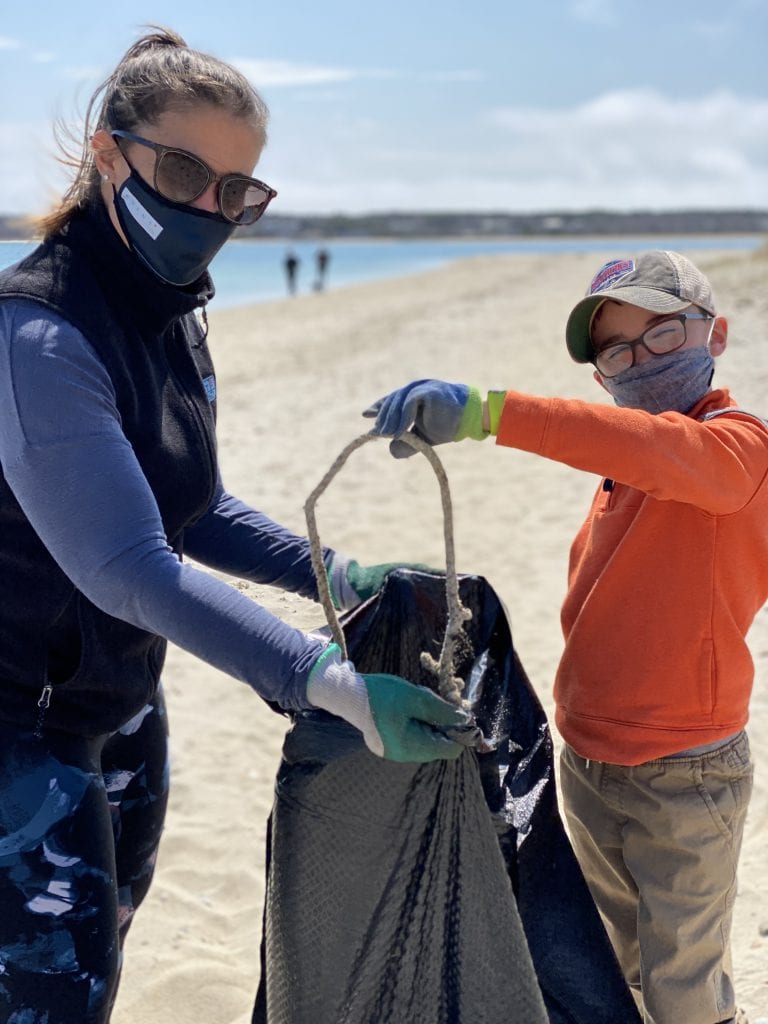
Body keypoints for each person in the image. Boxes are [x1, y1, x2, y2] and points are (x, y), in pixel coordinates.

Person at [0, 27, 465, 1023]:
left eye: (238, 192)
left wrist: (336, 575)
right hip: (13, 715)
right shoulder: (36, 333)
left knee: (110, 927)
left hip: (115, 689)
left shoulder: (173, 315)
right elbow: (132, 565)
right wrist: (326, 679)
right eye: (182, 171)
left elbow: (194, 508)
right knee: (54, 987)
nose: (209, 208)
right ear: (107, 153)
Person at [364, 251, 767, 1024]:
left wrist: (490, 412)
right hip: (586, 758)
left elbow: (661, 453)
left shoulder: (738, 450)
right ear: (601, 377)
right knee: (606, 965)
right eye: (618, 350)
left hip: (687, 771)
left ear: (714, 335)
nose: (640, 359)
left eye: (662, 335)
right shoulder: (624, 466)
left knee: (685, 987)